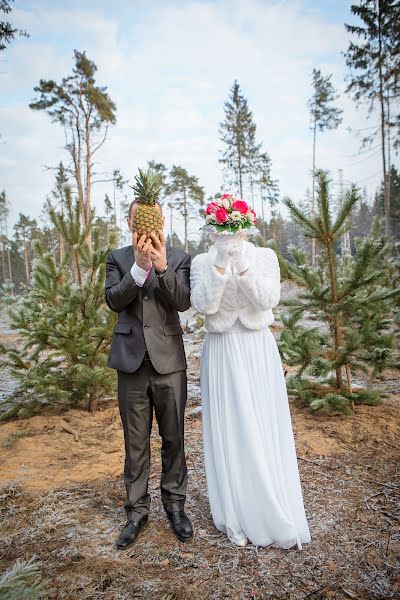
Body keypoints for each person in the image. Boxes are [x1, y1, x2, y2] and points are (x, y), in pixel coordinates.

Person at [190, 231, 311, 548]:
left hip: (257, 348)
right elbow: (203, 304)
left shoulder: (265, 256)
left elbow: (268, 300)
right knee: (229, 426)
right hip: (220, 350)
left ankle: (270, 501)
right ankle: (235, 512)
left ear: (244, 228)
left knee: (260, 421)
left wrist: (242, 265)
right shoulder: (201, 261)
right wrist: (218, 265)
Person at [105, 199, 193, 549]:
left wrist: (160, 267)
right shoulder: (117, 257)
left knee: (174, 438)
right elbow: (113, 300)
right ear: (129, 221)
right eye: (139, 216)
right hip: (130, 364)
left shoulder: (180, 258)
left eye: (154, 216)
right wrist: (138, 269)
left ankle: (175, 506)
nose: (145, 222)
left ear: (162, 220)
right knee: (135, 443)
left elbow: (183, 301)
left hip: (169, 363)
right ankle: (137, 512)